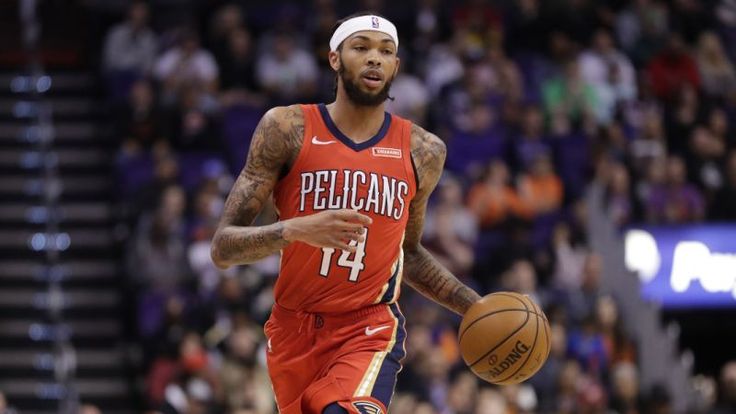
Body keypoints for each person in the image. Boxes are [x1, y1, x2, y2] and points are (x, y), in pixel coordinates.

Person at [210, 12, 482, 414]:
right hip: (292, 330)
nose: (374, 58)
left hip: (368, 327)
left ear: (396, 67)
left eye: (385, 51)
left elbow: (408, 253)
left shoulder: (422, 150)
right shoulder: (287, 128)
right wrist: (294, 229)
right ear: (334, 58)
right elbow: (223, 247)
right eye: (361, 47)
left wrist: (476, 307)